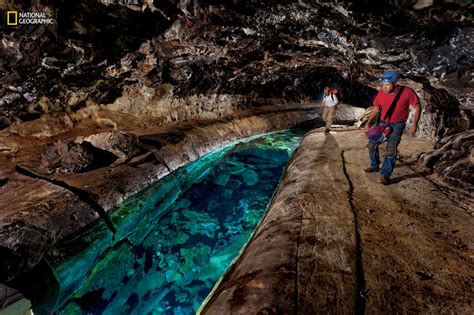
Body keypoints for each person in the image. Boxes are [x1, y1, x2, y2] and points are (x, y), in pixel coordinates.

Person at [363, 70, 421, 185]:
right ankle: (374, 166)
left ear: (395, 83)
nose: (384, 87)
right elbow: (376, 108)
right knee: (371, 145)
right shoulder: (382, 92)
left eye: (387, 85)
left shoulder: (407, 92)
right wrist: (368, 123)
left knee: (391, 149)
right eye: (383, 85)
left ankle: (385, 175)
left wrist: (415, 124)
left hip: (397, 125)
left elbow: (417, 106)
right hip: (383, 123)